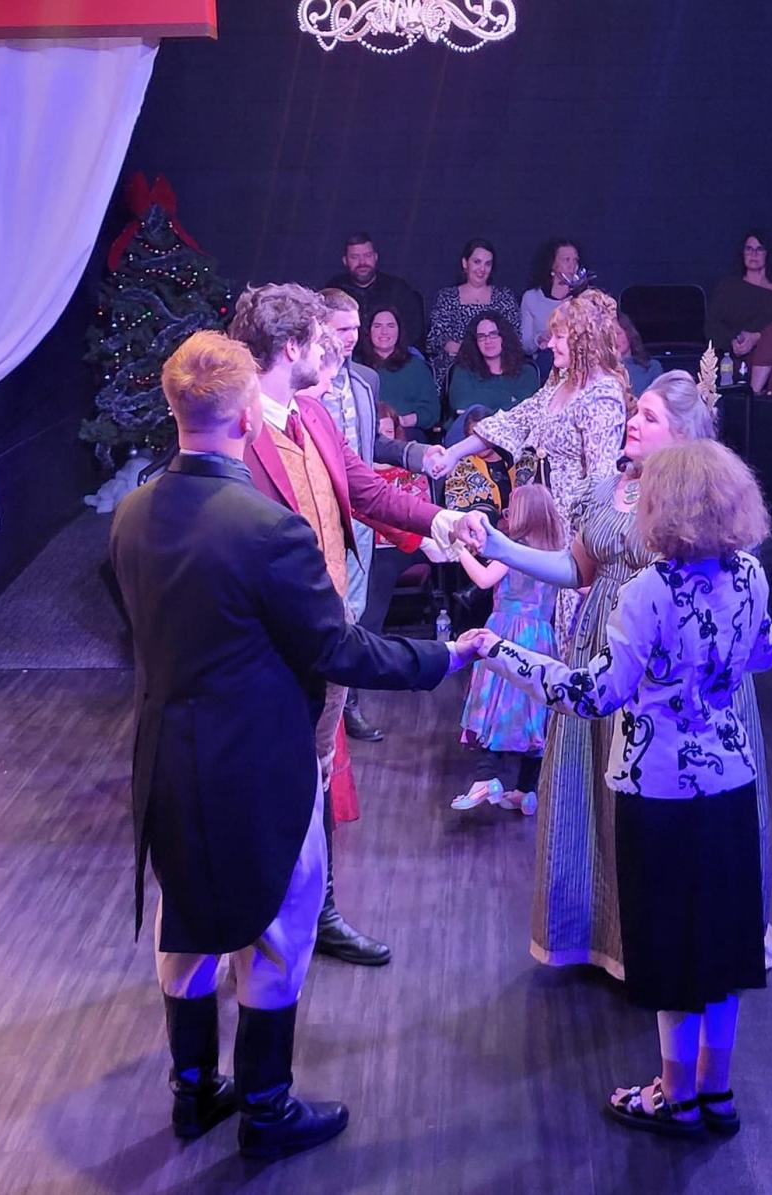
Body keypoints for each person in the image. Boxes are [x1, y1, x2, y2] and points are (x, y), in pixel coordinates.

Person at [110, 330, 478, 1161]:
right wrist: (446, 655)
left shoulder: (130, 512)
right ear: (246, 415)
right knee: (279, 927)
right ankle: (267, 1109)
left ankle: (195, 1091)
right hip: (260, 766)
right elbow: (339, 649)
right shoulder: (268, 529)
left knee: (187, 924)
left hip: (167, 757)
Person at [464, 438, 772, 1137]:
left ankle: (673, 1092)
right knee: (723, 946)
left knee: (669, 945)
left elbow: (592, 693)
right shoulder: (751, 574)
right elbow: (767, 649)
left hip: (657, 792)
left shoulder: (647, 593)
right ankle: (716, 1094)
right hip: (730, 783)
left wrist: (500, 652)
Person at [477, 364, 772, 979]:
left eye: (648, 417)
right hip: (608, 644)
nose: (631, 422)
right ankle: (610, 939)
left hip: (674, 676)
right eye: (634, 410)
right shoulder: (608, 486)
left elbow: (755, 636)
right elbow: (579, 568)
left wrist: (494, 650)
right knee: (610, 799)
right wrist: (500, 548)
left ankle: (678, 953)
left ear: (684, 435)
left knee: (665, 801)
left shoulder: (703, 511)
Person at [228, 283, 482, 968]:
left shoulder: (311, 415)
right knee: (269, 793)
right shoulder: (236, 432)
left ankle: (319, 910)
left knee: (315, 781)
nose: (337, 348)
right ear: (291, 348)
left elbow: (361, 486)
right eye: (322, 340)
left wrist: (440, 520)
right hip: (267, 659)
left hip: (325, 643)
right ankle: (251, 924)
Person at [431, 288, 630, 647]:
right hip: (543, 519)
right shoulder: (559, 384)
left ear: (583, 339)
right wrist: (454, 453)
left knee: (569, 630)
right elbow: (513, 421)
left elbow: (602, 480)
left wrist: (591, 559)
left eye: (559, 336)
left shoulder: (601, 395)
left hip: (574, 528)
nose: (549, 343)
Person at [320, 287, 444, 744]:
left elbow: (370, 448)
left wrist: (415, 453)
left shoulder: (366, 381)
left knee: (355, 611)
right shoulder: (304, 382)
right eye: (342, 329)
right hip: (316, 512)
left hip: (360, 512)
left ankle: (347, 703)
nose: (351, 337)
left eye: (355, 328)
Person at [451, 485, 562, 816]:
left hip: (508, 632)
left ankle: (486, 778)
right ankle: (526, 790)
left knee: (495, 706)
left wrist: (459, 550)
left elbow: (485, 580)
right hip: (541, 637)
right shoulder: (556, 552)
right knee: (533, 712)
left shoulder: (516, 549)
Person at [360, 404, 435, 638]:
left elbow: (420, 514)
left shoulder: (410, 470)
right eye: (378, 434)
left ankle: (368, 634)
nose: (383, 438)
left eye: (389, 433)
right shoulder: (358, 471)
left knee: (381, 564)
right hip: (366, 541)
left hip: (407, 545)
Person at [706, 228, 772, 393]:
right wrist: (733, 341)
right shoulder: (728, 286)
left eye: (759, 249)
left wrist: (758, 338)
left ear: (768, 254)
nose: (753, 254)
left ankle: (752, 394)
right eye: (749, 249)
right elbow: (712, 324)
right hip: (742, 355)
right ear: (742, 253)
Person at [427, 238, 521, 388]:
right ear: (465, 263)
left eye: (487, 264)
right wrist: (461, 350)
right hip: (457, 366)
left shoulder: (504, 297)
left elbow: (515, 337)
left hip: (497, 366)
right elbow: (436, 339)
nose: (482, 269)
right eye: (477, 262)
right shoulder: (447, 296)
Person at [325, 231, 425, 349]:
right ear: (345, 261)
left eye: (367, 255)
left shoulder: (397, 289)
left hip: (393, 356)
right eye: (355, 257)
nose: (362, 262)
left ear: (376, 257)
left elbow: (414, 330)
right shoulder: (335, 290)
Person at [355, 306, 440, 435]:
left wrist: (401, 421)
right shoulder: (356, 367)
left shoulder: (417, 367)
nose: (384, 332)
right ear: (368, 331)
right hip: (365, 431)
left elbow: (432, 411)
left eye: (390, 326)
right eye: (377, 326)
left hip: (407, 431)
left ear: (399, 331)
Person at [447, 311, 538, 425]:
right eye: (481, 337)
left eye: (493, 334)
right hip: (469, 430)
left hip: (512, 430)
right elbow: (462, 404)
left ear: (504, 337)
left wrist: (482, 404)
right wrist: (509, 398)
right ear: (475, 342)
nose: (488, 341)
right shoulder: (463, 370)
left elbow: (526, 409)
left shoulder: (526, 371)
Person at [520, 238, 584, 355]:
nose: (572, 266)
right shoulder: (531, 298)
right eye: (566, 260)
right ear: (553, 264)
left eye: (575, 260)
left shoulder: (582, 298)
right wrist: (539, 339)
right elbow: (525, 344)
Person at [616, 313, 663, 397]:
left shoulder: (652, 368)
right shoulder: (601, 371)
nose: (614, 339)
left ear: (629, 334)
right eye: (609, 335)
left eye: (618, 334)